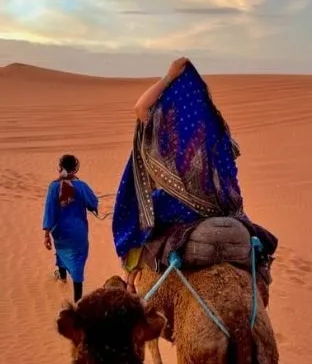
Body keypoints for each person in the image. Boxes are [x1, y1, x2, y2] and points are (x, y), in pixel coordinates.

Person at [112, 57, 250, 293]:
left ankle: (131, 277)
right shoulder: (216, 131)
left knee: (141, 212)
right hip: (225, 207)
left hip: (183, 210)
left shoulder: (172, 137)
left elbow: (141, 108)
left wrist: (169, 76)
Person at [42, 154, 99, 302]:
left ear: (60, 167)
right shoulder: (81, 186)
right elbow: (93, 203)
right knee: (78, 263)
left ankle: (62, 278)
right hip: (78, 232)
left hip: (60, 232)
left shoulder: (53, 186)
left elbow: (49, 210)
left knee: (61, 253)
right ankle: (77, 300)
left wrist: (47, 234)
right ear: (75, 168)